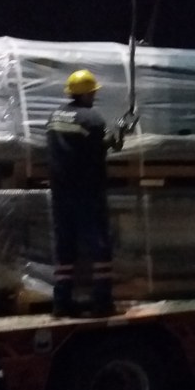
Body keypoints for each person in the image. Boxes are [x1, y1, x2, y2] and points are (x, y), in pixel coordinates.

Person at [46, 69, 123, 317]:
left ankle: (61, 303)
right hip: (87, 190)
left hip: (60, 190)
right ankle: (102, 302)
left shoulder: (54, 116)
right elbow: (97, 150)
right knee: (99, 246)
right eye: (93, 92)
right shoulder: (92, 119)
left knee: (65, 246)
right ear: (88, 93)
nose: (94, 96)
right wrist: (116, 137)